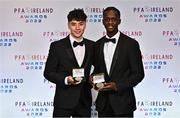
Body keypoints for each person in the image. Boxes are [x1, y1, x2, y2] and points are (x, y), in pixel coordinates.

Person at [92, 7, 145, 117]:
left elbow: (139, 74)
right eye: (107, 19)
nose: (110, 22)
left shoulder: (131, 44)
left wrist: (117, 86)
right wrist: (92, 78)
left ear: (119, 21)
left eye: (113, 19)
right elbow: (98, 70)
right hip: (103, 104)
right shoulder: (97, 45)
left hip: (123, 103)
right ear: (103, 21)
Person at [44, 9, 94, 117]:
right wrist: (66, 80)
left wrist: (93, 78)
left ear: (85, 24)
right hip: (63, 101)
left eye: (81, 24)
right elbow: (48, 72)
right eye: (73, 24)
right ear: (68, 25)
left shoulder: (92, 46)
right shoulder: (57, 46)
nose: (77, 28)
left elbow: (99, 68)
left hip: (84, 101)